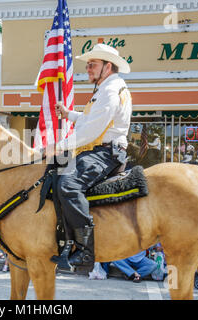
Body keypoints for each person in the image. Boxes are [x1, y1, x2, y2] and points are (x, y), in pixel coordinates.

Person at [50, 43, 132, 269]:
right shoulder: (106, 88)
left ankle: (86, 250)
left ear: (108, 66)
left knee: (68, 185)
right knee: (52, 174)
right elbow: (90, 120)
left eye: (92, 64)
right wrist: (69, 115)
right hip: (98, 150)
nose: (87, 68)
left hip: (105, 152)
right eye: (87, 65)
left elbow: (92, 130)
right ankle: (65, 241)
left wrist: (59, 146)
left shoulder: (109, 90)